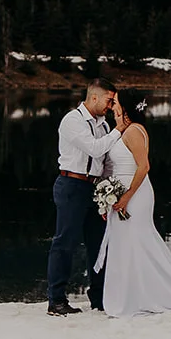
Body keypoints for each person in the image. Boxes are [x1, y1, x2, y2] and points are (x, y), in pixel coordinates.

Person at [92, 88, 171, 317]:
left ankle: (138, 297)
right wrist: (108, 196)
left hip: (135, 194)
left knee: (135, 241)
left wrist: (125, 196)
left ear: (126, 107)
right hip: (122, 193)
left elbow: (144, 167)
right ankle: (131, 295)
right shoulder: (124, 130)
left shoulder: (133, 131)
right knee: (126, 244)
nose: (113, 105)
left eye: (117, 103)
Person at [47, 79, 121, 316]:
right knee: (64, 243)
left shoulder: (104, 125)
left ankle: (99, 299)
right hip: (71, 185)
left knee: (98, 245)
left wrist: (111, 188)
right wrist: (120, 129)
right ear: (94, 97)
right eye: (109, 100)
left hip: (95, 189)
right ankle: (56, 300)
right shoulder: (72, 121)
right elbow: (95, 149)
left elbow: (105, 159)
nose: (111, 106)